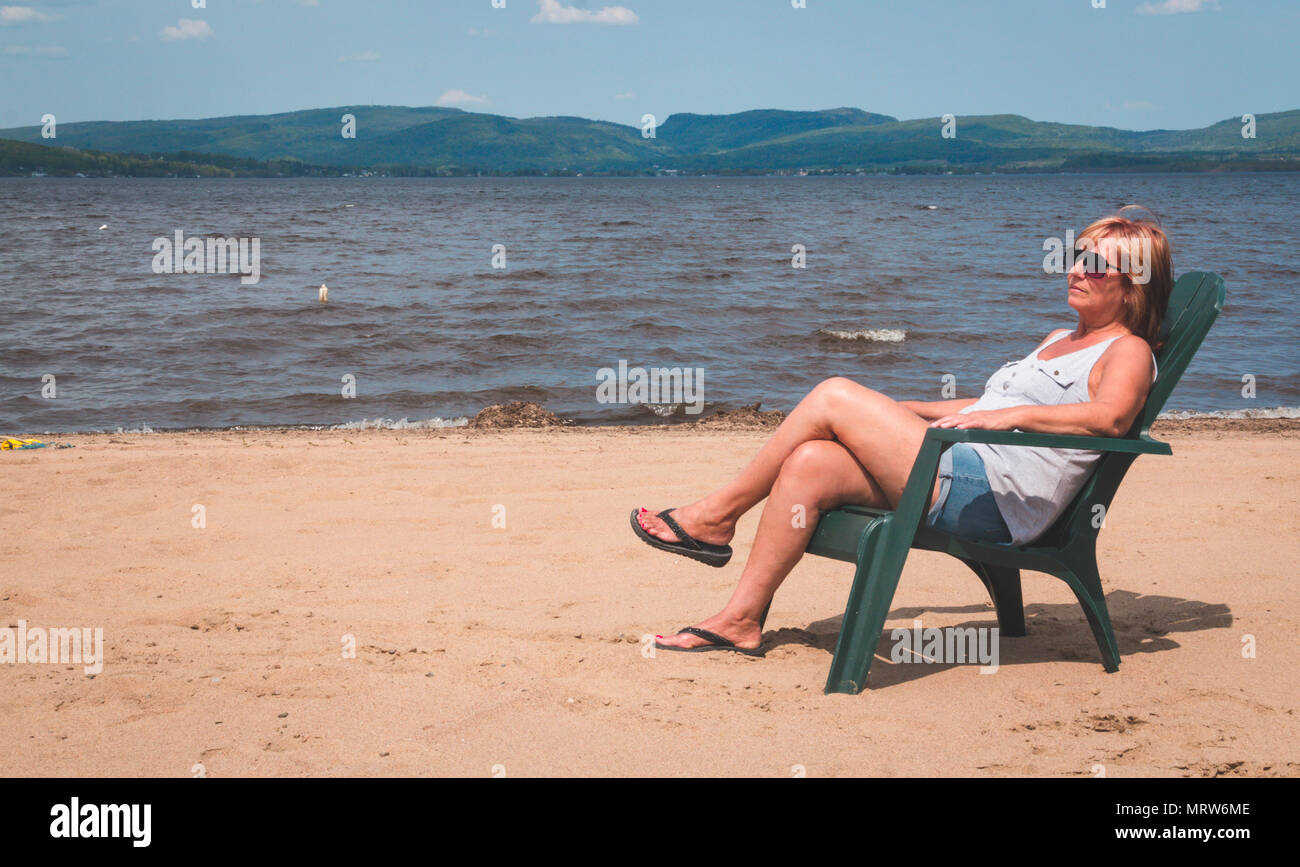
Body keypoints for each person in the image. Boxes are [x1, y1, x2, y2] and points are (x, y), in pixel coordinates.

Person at [632, 208, 1173, 656]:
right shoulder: (1060, 337)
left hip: (996, 501)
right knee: (811, 461)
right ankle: (740, 620)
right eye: (1078, 256)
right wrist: (908, 408)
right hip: (960, 466)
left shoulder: (1127, 349)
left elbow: (1110, 419)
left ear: (1133, 288)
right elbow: (990, 403)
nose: (1077, 270)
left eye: (1097, 266)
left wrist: (1009, 418)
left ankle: (717, 516)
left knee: (833, 391)